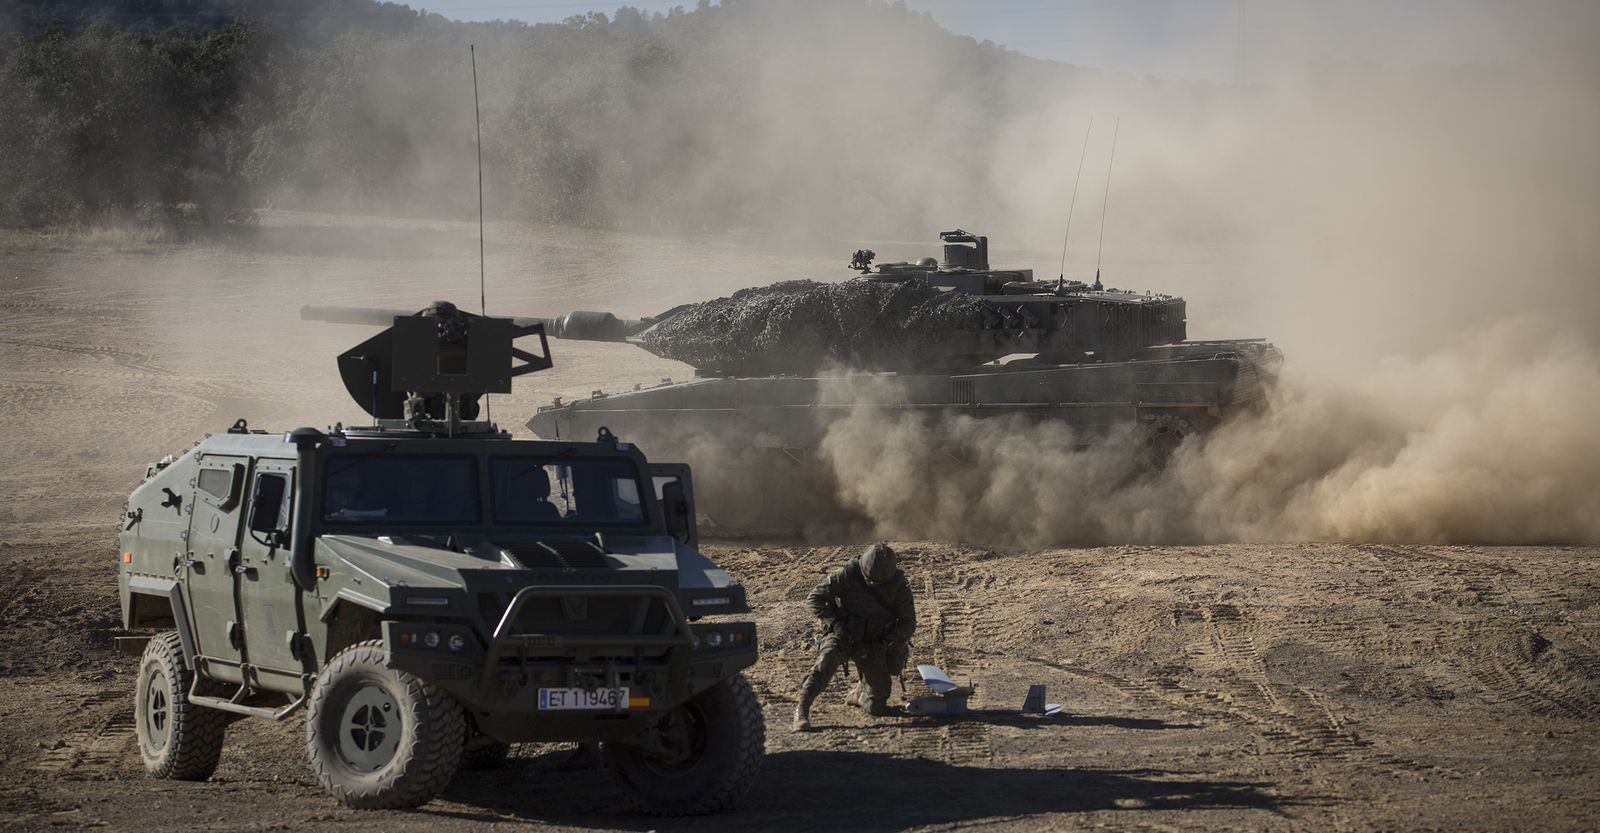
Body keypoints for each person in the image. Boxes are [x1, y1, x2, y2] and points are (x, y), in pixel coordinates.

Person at [792, 542, 916, 731]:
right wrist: (835, 624)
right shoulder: (847, 574)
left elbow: (908, 622)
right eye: (869, 580)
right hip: (844, 635)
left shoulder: (899, 586)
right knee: (826, 661)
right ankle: (802, 709)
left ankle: (859, 694)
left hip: (875, 642)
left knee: (876, 708)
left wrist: (889, 640)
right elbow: (815, 599)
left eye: (878, 583)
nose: (873, 584)